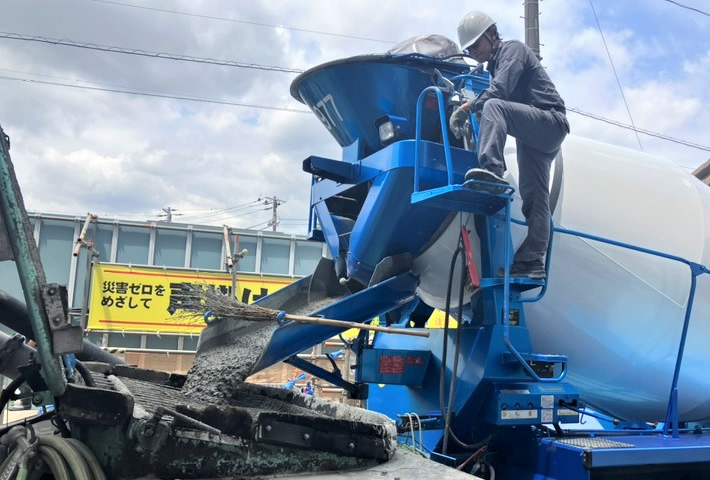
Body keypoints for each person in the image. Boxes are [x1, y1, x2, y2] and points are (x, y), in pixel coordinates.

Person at [449, 11, 570, 280]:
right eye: (469, 50)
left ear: (492, 35)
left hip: (550, 122)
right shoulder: (494, 65)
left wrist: (469, 106)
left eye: (476, 45)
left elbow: (500, 92)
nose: (473, 53)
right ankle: (532, 262)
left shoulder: (513, 50)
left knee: (493, 105)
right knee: (534, 198)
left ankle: (491, 171)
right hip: (534, 136)